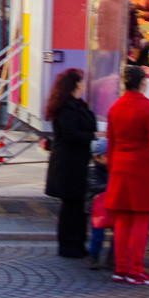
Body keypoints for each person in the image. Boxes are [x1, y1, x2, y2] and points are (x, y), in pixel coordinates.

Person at [105, 64, 149, 285]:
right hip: (143, 169)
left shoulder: (115, 107)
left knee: (123, 219)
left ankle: (120, 269)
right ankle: (136, 269)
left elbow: (111, 144)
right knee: (141, 219)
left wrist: (112, 168)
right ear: (143, 83)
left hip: (119, 167)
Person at [45, 67, 96, 258]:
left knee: (78, 205)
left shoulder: (78, 104)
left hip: (78, 162)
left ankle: (78, 244)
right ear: (75, 85)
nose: (83, 84)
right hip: (68, 164)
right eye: (81, 81)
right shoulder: (66, 108)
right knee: (71, 206)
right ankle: (68, 246)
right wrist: (93, 136)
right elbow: (71, 134)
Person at [86, 136, 111, 270]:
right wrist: (111, 185)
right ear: (96, 157)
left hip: (111, 206)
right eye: (106, 155)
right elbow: (95, 186)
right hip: (97, 210)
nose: (110, 158)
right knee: (98, 235)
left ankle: (112, 257)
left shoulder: (112, 168)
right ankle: (94, 256)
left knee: (117, 232)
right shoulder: (92, 170)